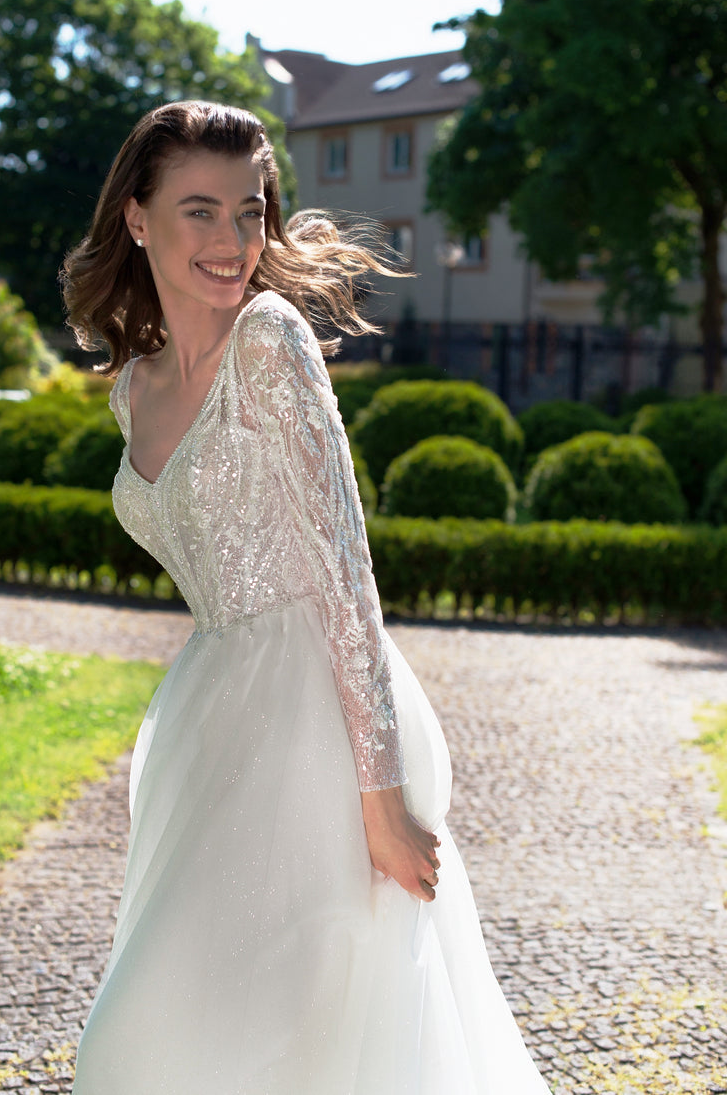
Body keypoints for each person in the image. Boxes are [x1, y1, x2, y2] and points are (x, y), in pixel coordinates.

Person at [61, 100, 552, 1094]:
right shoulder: (132, 387)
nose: (234, 239)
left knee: (306, 1025)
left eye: (250, 210)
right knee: (185, 1018)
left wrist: (380, 799)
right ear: (138, 219)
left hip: (321, 731)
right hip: (210, 718)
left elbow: (344, 569)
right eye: (199, 210)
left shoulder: (270, 340)